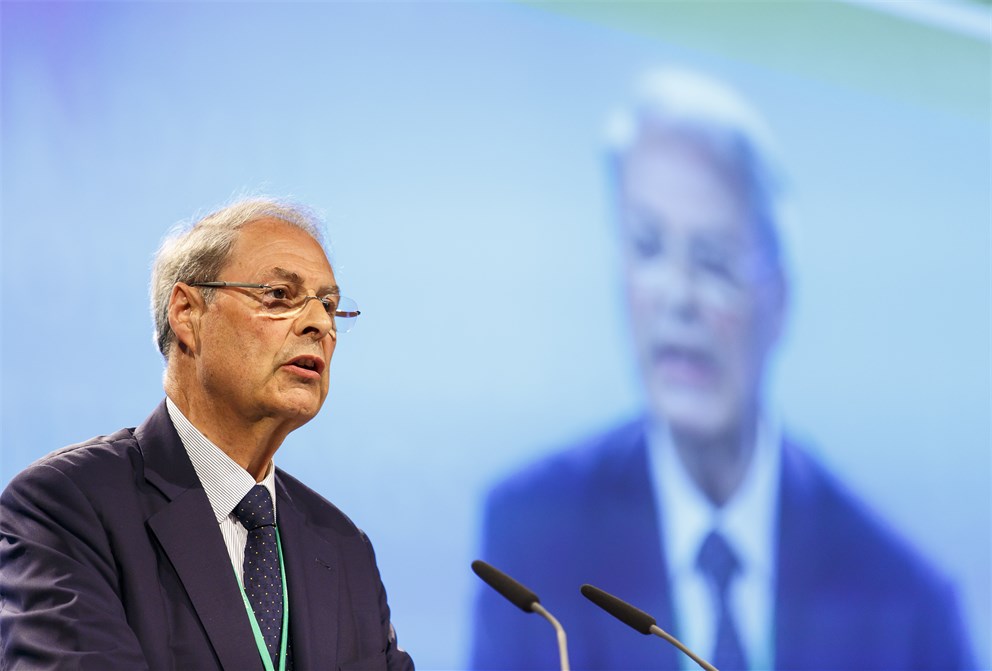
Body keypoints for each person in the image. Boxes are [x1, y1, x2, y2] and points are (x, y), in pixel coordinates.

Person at [470, 69, 972, 670]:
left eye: (714, 261)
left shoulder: (904, 605)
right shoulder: (531, 540)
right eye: (649, 248)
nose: (679, 297)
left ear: (779, 299)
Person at [0, 198, 414, 670]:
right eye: (279, 294)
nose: (320, 323)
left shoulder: (343, 549)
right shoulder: (68, 506)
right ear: (187, 313)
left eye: (329, 305)